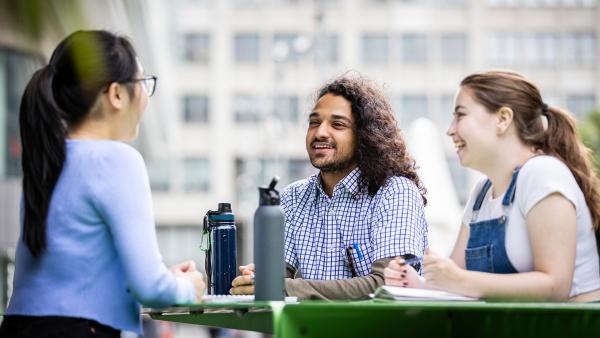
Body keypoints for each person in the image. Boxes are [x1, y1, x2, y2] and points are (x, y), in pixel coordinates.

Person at [0, 30, 204, 337]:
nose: (146, 97)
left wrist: (163, 278)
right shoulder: (117, 160)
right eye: (143, 83)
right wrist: (189, 288)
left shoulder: (46, 159)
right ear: (116, 94)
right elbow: (151, 289)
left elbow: (75, 272)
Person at [384, 70, 600, 302]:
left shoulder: (543, 173)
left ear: (503, 119)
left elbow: (556, 286)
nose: (450, 130)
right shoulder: (481, 192)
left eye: (461, 115)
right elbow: (454, 280)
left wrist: (458, 280)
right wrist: (415, 282)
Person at [230, 76, 428, 299]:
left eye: (338, 124)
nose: (320, 132)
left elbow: (389, 286)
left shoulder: (395, 192)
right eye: (314, 122)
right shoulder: (292, 198)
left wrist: (283, 287)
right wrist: (256, 280)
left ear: (365, 136)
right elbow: (277, 279)